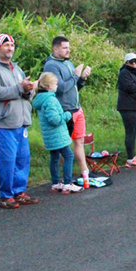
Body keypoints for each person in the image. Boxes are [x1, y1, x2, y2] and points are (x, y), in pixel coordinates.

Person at [0, 33, 39, 209]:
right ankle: (6, 195)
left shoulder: (17, 68)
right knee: (7, 160)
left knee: (23, 158)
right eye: (6, 45)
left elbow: (24, 93)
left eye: (12, 45)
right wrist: (19, 88)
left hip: (21, 121)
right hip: (3, 122)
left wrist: (30, 89)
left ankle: (19, 192)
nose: (10, 48)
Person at [43, 36, 92, 184]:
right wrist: (76, 75)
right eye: (65, 48)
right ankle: (66, 180)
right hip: (64, 111)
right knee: (64, 146)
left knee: (80, 141)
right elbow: (62, 89)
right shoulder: (51, 65)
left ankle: (85, 175)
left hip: (77, 109)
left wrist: (82, 78)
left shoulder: (69, 63)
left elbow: (74, 87)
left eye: (69, 47)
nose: (68, 50)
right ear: (56, 49)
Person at [33, 72, 82, 194]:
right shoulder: (50, 100)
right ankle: (67, 183)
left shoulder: (40, 99)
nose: (57, 86)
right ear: (49, 85)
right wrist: (67, 115)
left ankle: (55, 183)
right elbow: (55, 120)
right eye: (55, 84)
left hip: (49, 135)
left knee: (54, 158)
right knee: (68, 156)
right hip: (57, 135)